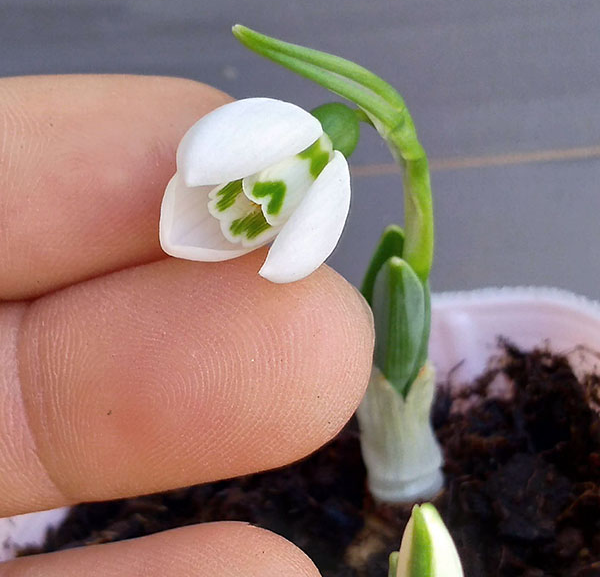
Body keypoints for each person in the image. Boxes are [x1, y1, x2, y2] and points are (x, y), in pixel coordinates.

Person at [0, 75, 374, 576]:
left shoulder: (320, 161)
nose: (256, 202)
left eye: (264, 199)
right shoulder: (308, 144)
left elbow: (284, 255)